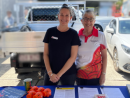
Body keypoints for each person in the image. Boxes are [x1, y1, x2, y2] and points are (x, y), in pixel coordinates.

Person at [43, 4, 80, 85]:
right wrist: (50, 73)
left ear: (70, 18)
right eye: (61, 15)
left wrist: (58, 75)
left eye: (67, 15)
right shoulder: (50, 32)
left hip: (68, 73)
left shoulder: (73, 34)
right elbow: (45, 54)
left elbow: (73, 57)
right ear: (58, 16)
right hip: (50, 73)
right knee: (48, 94)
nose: (64, 18)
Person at [75, 10, 107, 85]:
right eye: (85, 18)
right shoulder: (77, 36)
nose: (88, 22)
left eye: (91, 19)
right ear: (82, 21)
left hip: (95, 76)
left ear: (94, 21)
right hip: (80, 75)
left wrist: (104, 74)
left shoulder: (101, 35)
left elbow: (104, 56)